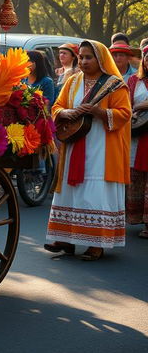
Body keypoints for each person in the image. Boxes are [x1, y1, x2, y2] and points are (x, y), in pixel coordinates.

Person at [45, 40, 130, 261]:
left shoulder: (115, 84)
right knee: (69, 190)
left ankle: (96, 244)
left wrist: (98, 111)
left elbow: (124, 114)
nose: (83, 61)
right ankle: (65, 238)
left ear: (100, 59)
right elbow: (57, 106)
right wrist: (66, 113)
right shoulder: (72, 81)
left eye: (88, 57)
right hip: (74, 145)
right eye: (81, 57)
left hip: (102, 148)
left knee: (95, 190)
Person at [126, 45, 148, 238]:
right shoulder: (134, 81)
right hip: (138, 133)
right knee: (137, 176)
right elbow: (125, 104)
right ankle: (136, 217)